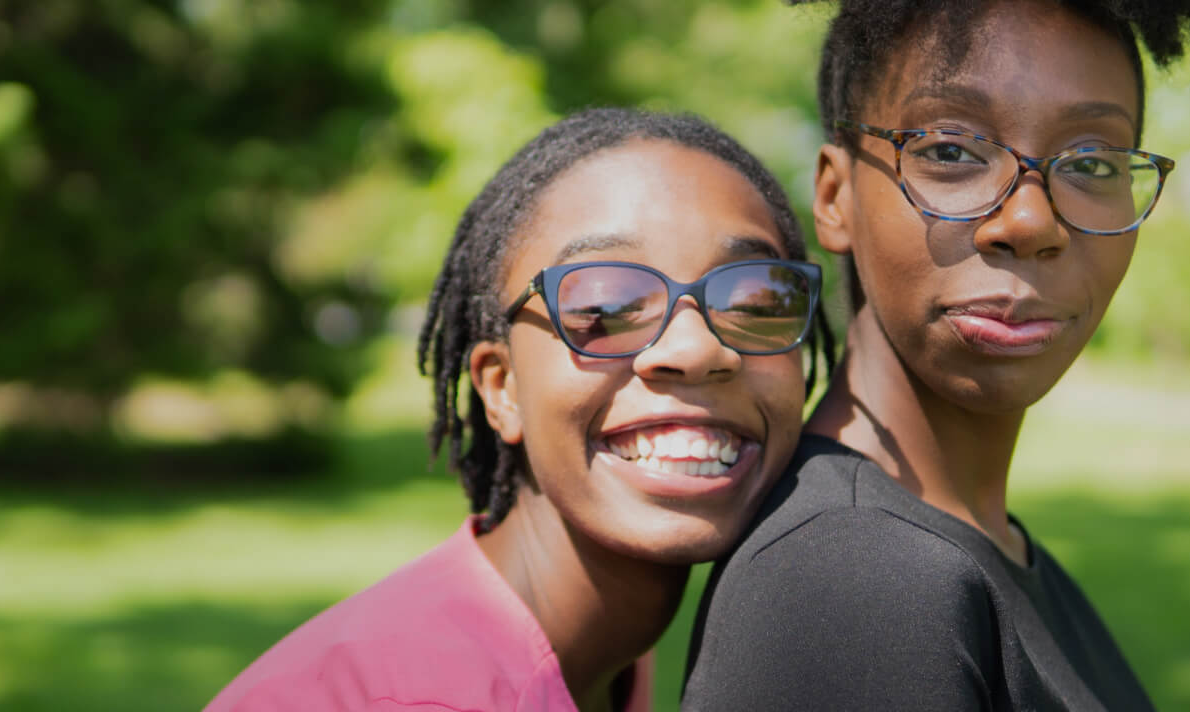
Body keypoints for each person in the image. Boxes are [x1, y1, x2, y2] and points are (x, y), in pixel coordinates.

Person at [681, 0, 1190, 709]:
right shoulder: (854, 583)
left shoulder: (980, 544)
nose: (1029, 221)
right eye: (951, 150)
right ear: (835, 198)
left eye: (1093, 163)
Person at [207, 108, 835, 712]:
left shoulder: (606, 656)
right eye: (605, 308)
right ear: (500, 388)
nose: (696, 349)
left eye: (754, 301)